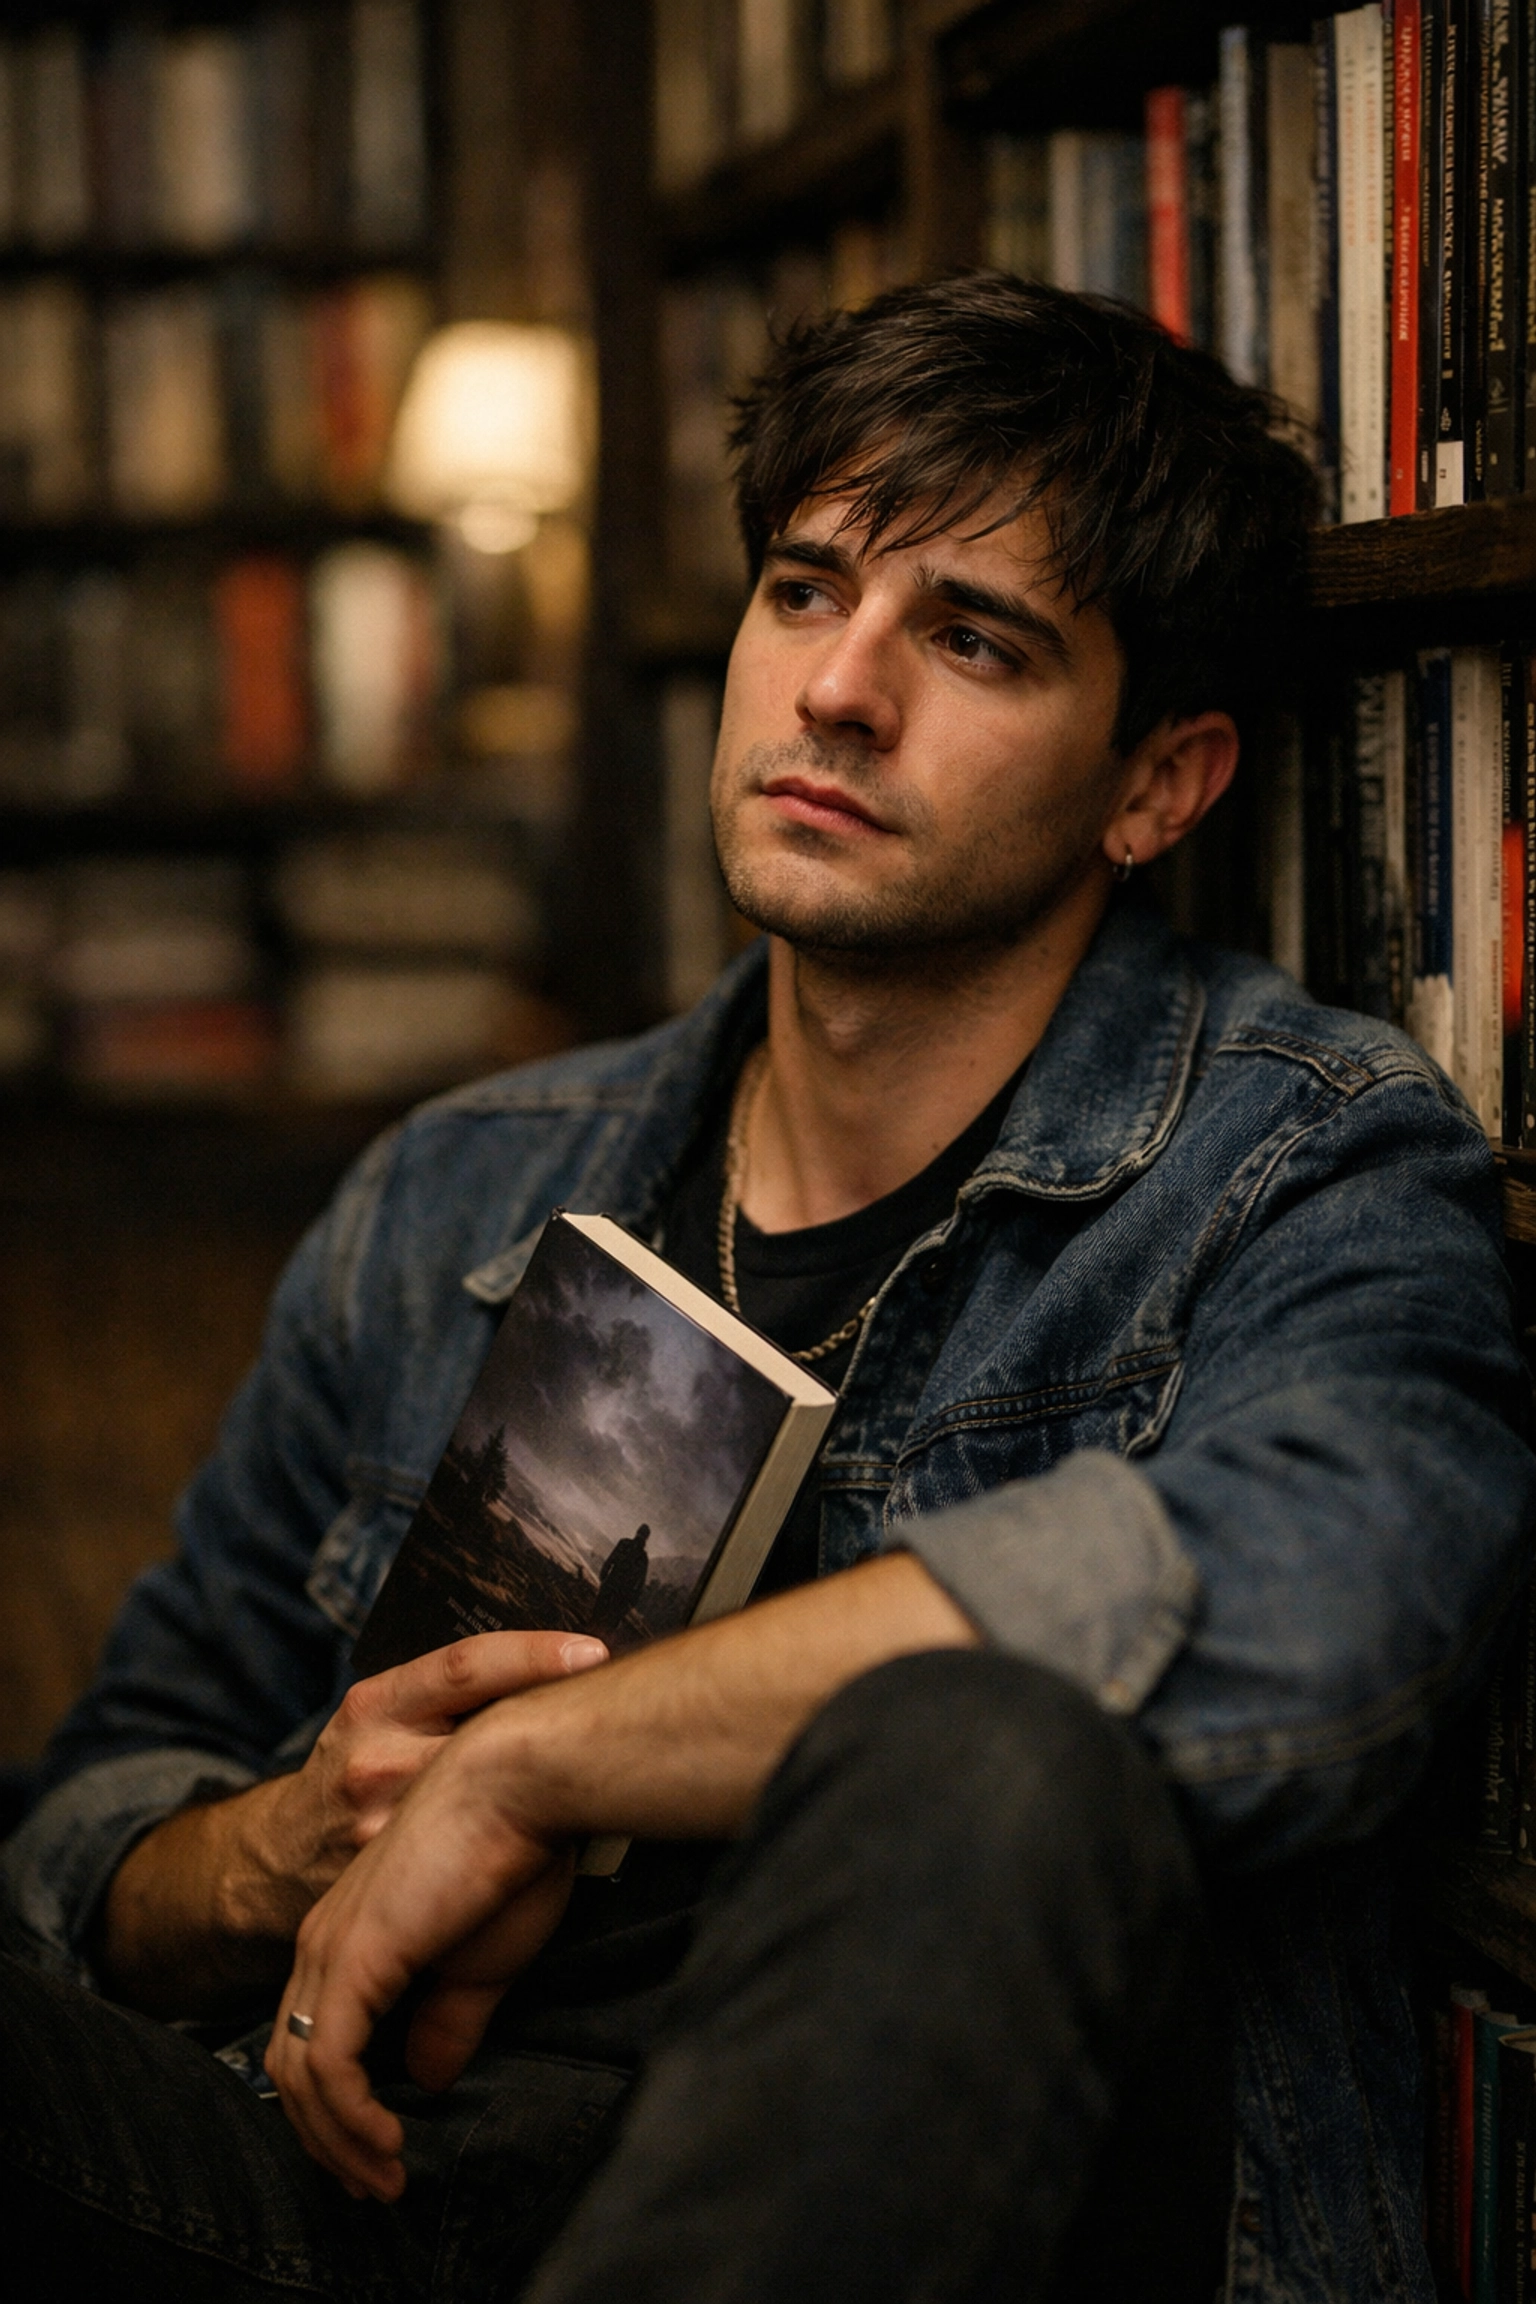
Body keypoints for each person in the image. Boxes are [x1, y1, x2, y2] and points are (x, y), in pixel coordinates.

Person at [1, 274, 1530, 2304]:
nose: (839, 688)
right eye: (806, 591)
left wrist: (542, 1758)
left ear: (1159, 784)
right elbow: (88, 1820)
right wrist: (275, 1845)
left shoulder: (1301, 1162)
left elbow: (1341, 1589)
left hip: (926, 2217)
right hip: (345, 2185)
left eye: (971, 638)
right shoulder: (457, 1183)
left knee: (983, 1753)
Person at [588, 1523, 651, 1638]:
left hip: (610, 1584)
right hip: (622, 1596)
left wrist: (604, 1577)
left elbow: (610, 1560)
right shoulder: (643, 1558)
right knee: (609, 1625)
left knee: (597, 1615)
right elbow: (640, 1583)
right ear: (647, 1538)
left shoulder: (624, 1544)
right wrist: (632, 1601)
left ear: (637, 1532)